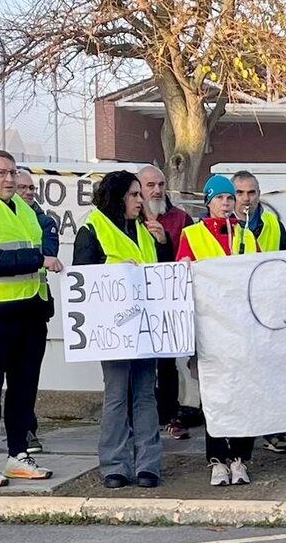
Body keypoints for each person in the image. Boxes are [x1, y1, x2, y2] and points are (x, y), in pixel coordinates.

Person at [74, 170, 172, 489]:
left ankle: (148, 465)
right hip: (113, 330)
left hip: (144, 328)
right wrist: (115, 272)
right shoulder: (93, 229)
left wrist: (163, 244)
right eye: (134, 195)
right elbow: (82, 280)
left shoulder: (145, 231)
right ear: (118, 197)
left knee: (145, 396)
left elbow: (163, 279)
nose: (140, 200)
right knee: (116, 396)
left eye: (139, 195)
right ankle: (114, 465)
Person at [0, 150, 60, 488]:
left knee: (24, 390)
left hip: (29, 311)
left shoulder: (23, 208)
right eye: (0, 173)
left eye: (12, 172)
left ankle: (18, 454)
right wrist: (39, 258)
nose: (9, 179)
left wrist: (43, 255)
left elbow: (47, 236)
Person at [177, 174, 259, 486]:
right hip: (210, 329)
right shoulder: (192, 234)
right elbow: (181, 275)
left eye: (229, 198)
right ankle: (217, 459)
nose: (226, 203)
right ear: (208, 201)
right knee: (214, 395)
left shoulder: (246, 236)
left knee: (243, 395)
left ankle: (240, 457)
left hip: (241, 330)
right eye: (220, 198)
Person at [231, 170, 286, 455]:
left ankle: (273, 430)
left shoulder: (272, 224)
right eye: (240, 193)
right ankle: (239, 432)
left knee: (271, 373)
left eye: (252, 192)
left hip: (268, 311)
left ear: (259, 195)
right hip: (233, 313)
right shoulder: (221, 226)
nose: (247, 199)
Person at [138, 165, 194, 442]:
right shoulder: (128, 217)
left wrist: (164, 241)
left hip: (168, 302)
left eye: (160, 184)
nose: (157, 190)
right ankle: (141, 417)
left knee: (167, 363)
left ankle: (171, 415)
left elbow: (188, 258)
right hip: (134, 303)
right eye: (150, 185)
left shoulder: (180, 218)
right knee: (137, 365)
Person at [13, 168, 58, 456]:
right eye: (22, 188)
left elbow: (49, 253)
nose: (29, 193)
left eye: (31, 188)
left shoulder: (43, 221)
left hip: (33, 308)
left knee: (26, 377)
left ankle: (26, 430)